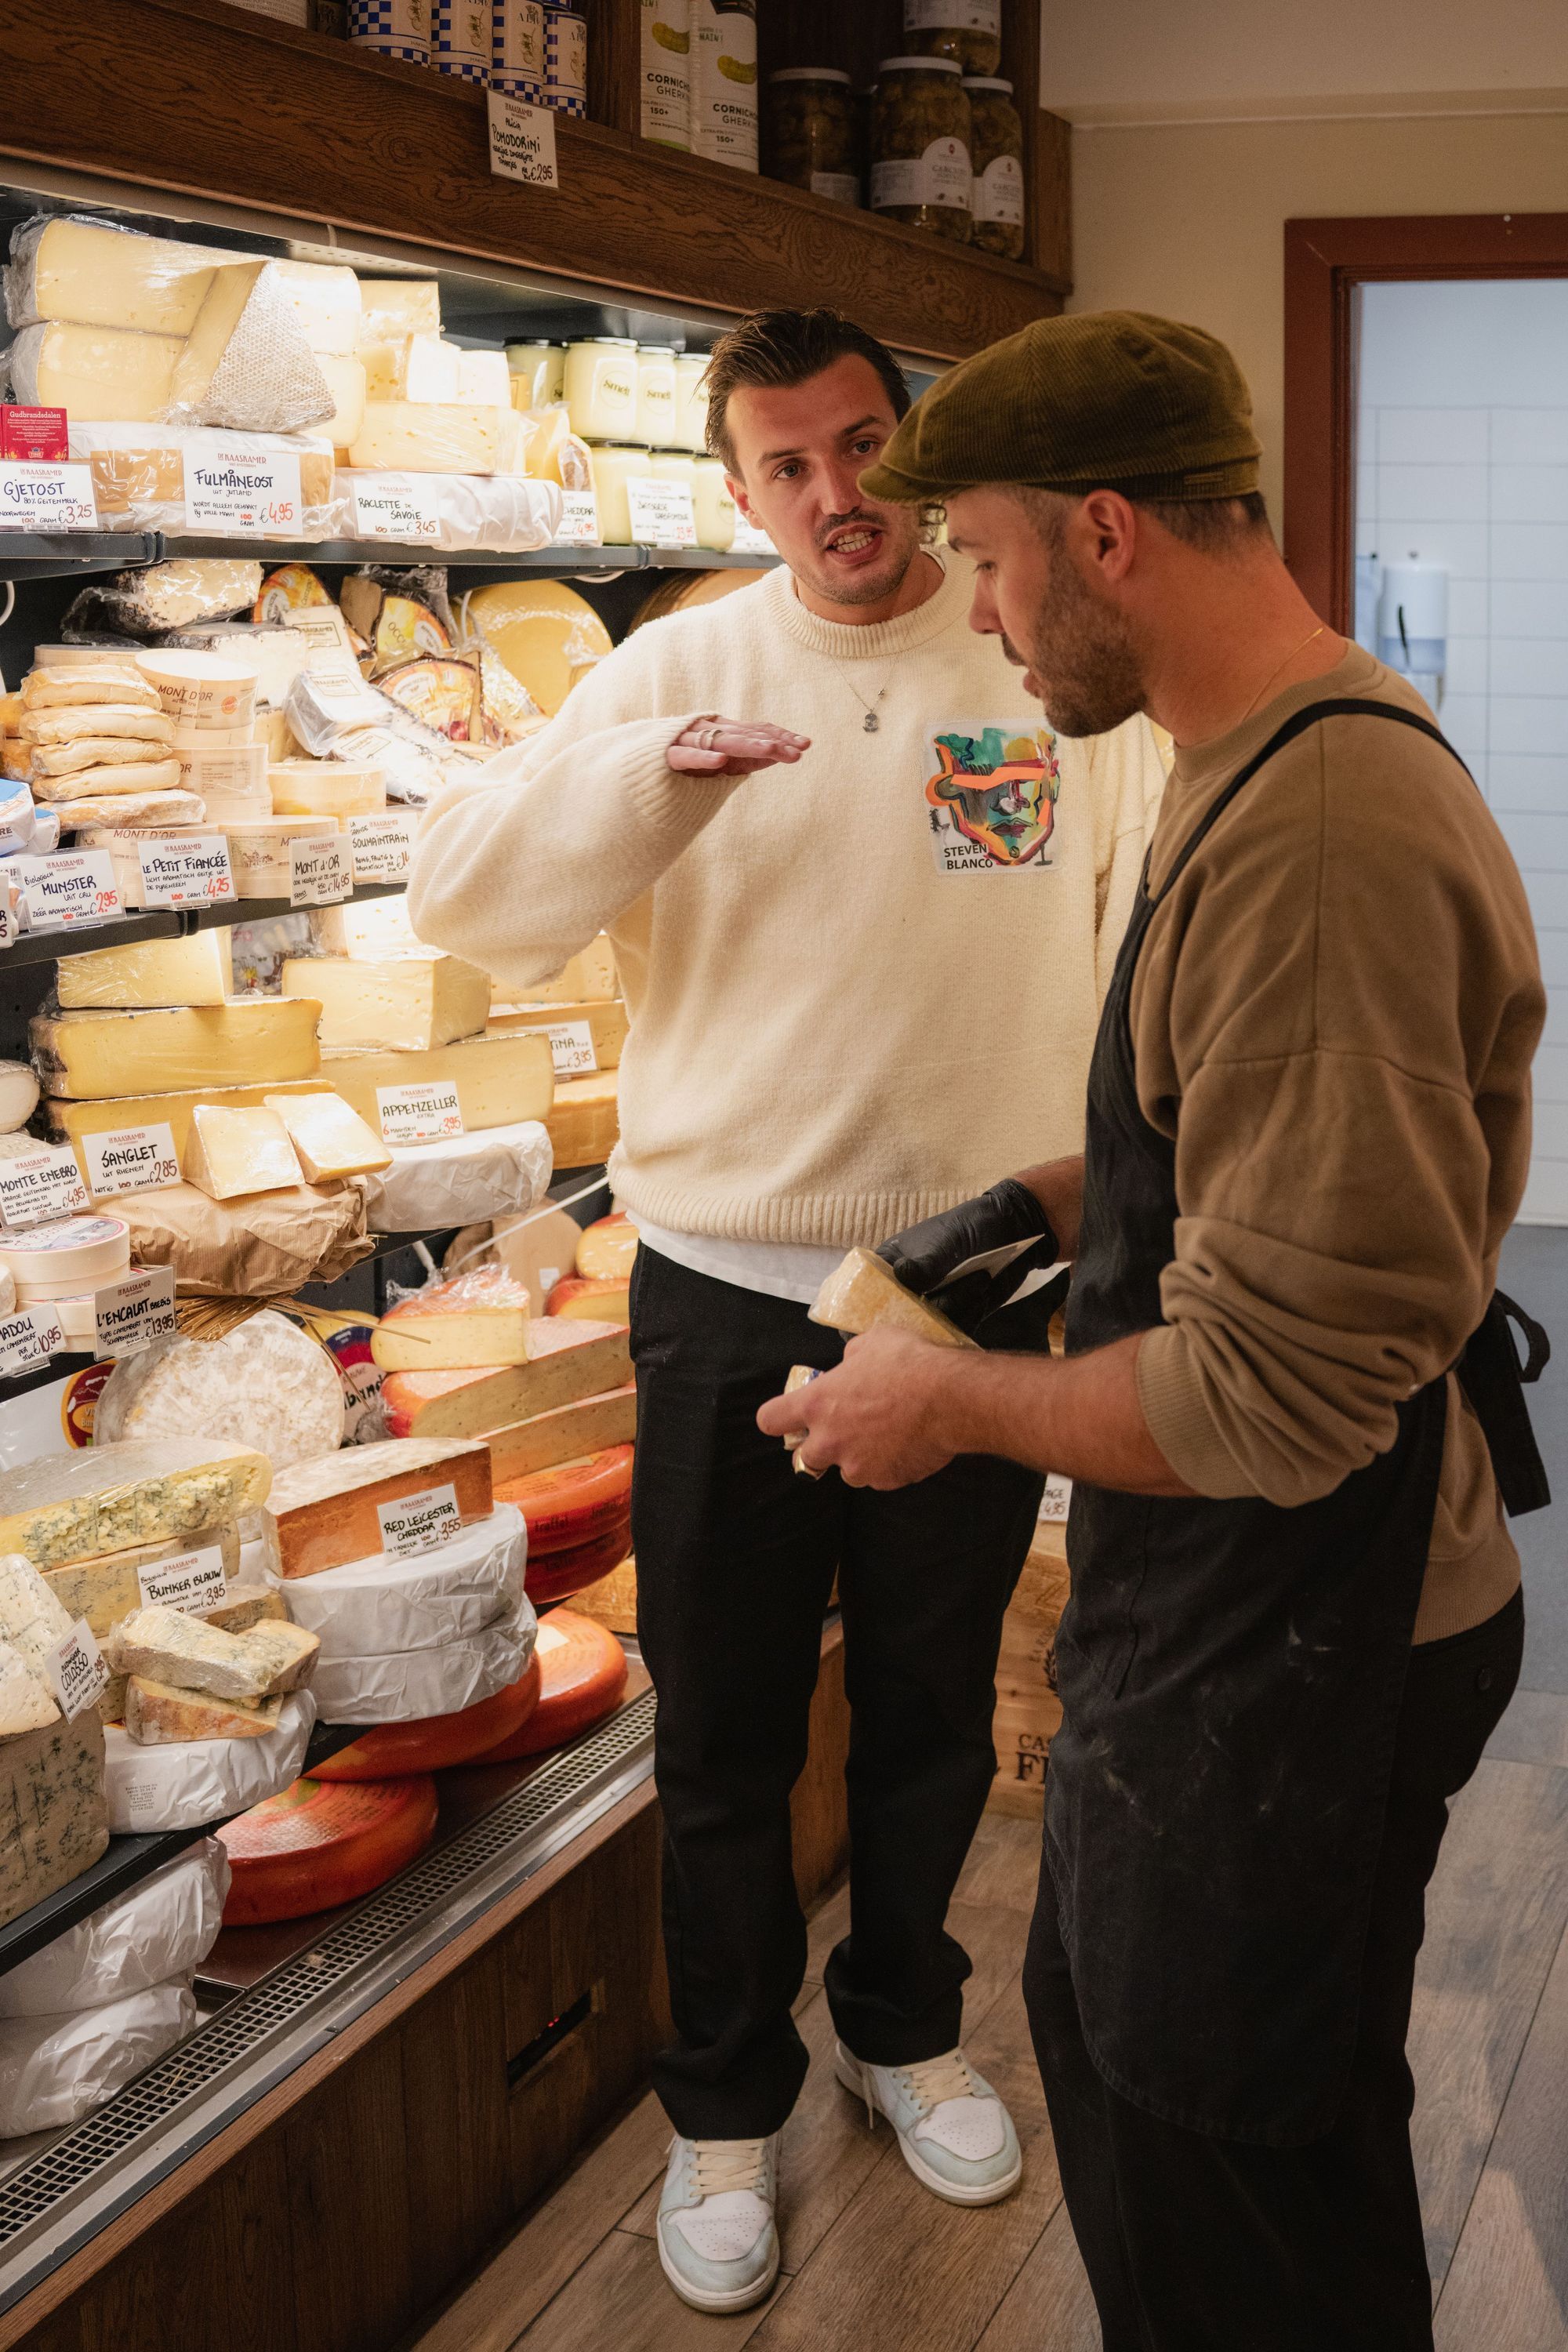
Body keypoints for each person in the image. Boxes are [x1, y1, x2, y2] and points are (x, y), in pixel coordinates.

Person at [758, 310, 1547, 2350]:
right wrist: (1041, 1202)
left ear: (1106, 535)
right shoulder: (1249, 754)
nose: (985, 618)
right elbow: (1254, 1143)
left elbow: (1275, 1394)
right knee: (1139, 2070)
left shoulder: (1315, 828)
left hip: (1312, 1626)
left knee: (1232, 2187)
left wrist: (948, 1403)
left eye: (997, 566)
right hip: (1238, 1618)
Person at [409, 306, 1164, 2315]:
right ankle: (721, 2112)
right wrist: (646, 780)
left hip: (978, 1291)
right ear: (735, 487)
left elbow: (1135, 937)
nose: (838, 500)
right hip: (726, 1287)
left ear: (906, 446)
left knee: (930, 1708)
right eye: (787, 468)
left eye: (862, 449)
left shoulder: (1025, 648)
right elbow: (461, 899)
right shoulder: (680, 666)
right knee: (729, 1731)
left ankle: (905, 2025)